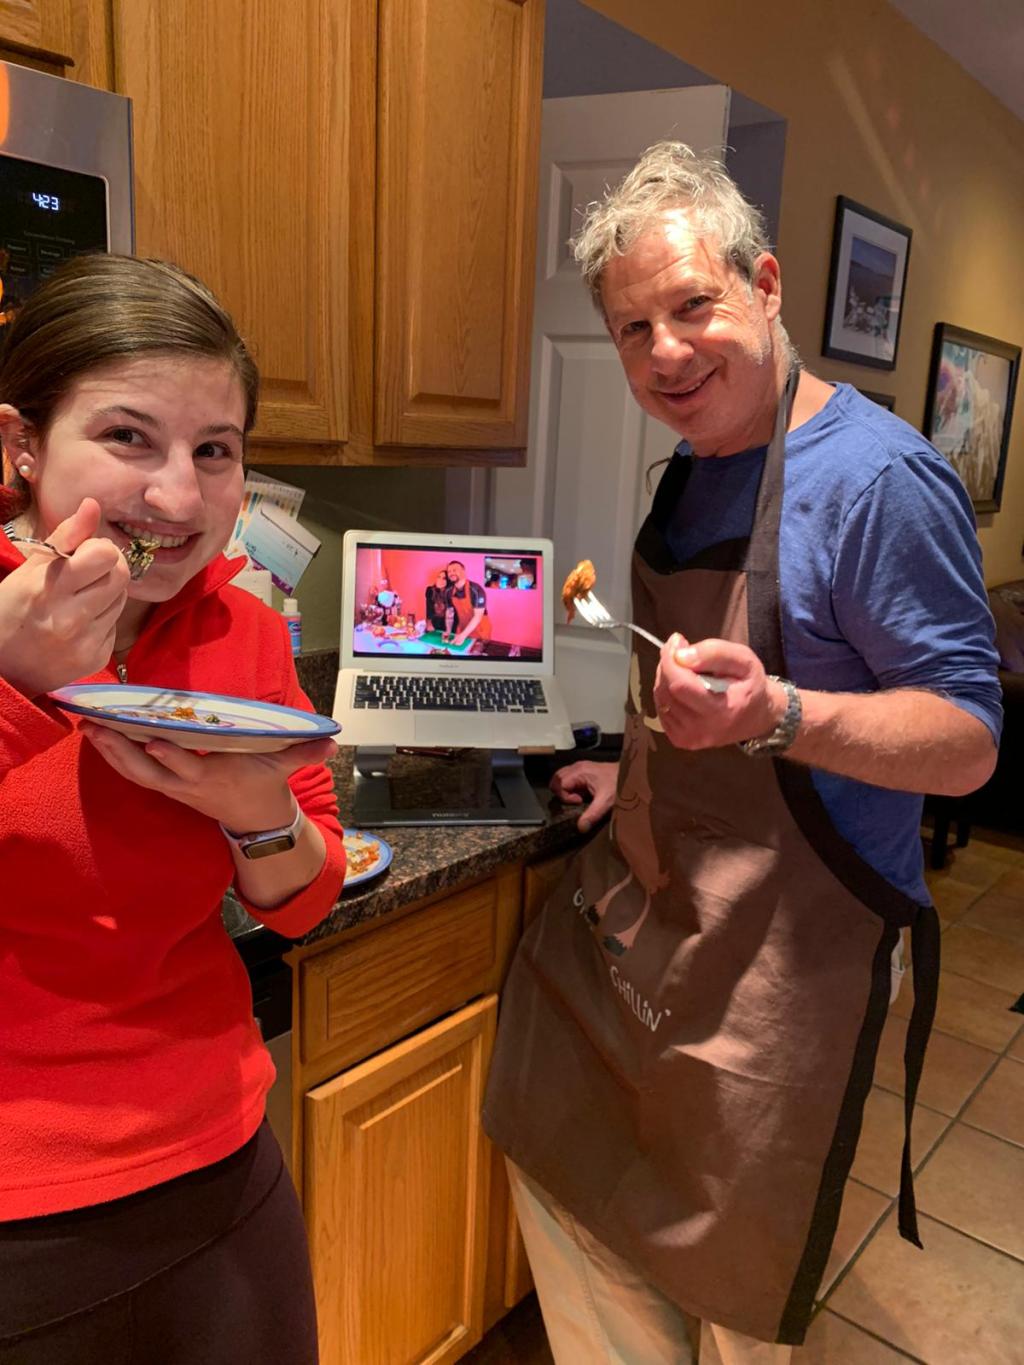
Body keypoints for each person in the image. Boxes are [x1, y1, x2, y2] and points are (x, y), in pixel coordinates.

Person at [482, 143, 1001, 1362]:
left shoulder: (878, 484)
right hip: (665, 908)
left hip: (791, 961)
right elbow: (689, 673)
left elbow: (971, 740)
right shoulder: (694, 467)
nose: (663, 353)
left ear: (764, 286)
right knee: (563, 1170)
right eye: (629, 329)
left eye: (692, 306)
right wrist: (639, 763)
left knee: (734, 1286)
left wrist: (781, 717)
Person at [0, 254, 346, 1364]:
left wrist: (255, 809)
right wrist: (11, 681)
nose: (181, 500)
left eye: (216, 450)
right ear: (20, 444)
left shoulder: (239, 630)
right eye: (129, 437)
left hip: (225, 1169)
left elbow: (305, 897)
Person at [445, 558, 492, 646]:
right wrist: (448, 631)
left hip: (480, 630)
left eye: (454, 570)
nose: (451, 573)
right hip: (462, 627)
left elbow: (477, 617)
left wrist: (462, 636)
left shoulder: (476, 589)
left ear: (463, 571)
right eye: (449, 571)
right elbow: (449, 612)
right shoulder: (448, 592)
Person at [425, 568, 451, 632]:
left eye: (444, 578)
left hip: (448, 626)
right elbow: (429, 608)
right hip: (434, 623)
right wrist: (429, 623)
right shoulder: (430, 590)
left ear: (448, 582)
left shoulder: (451, 593)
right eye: (439, 577)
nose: (440, 580)